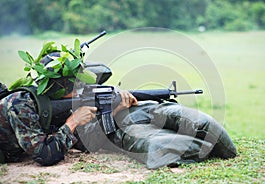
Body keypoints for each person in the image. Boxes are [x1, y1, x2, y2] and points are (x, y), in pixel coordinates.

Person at [0, 42, 237, 168]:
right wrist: (73, 122)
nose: (79, 90)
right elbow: (45, 155)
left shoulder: (53, 104)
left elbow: (87, 139)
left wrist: (113, 110)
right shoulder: (20, 104)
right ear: (57, 88)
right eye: (74, 86)